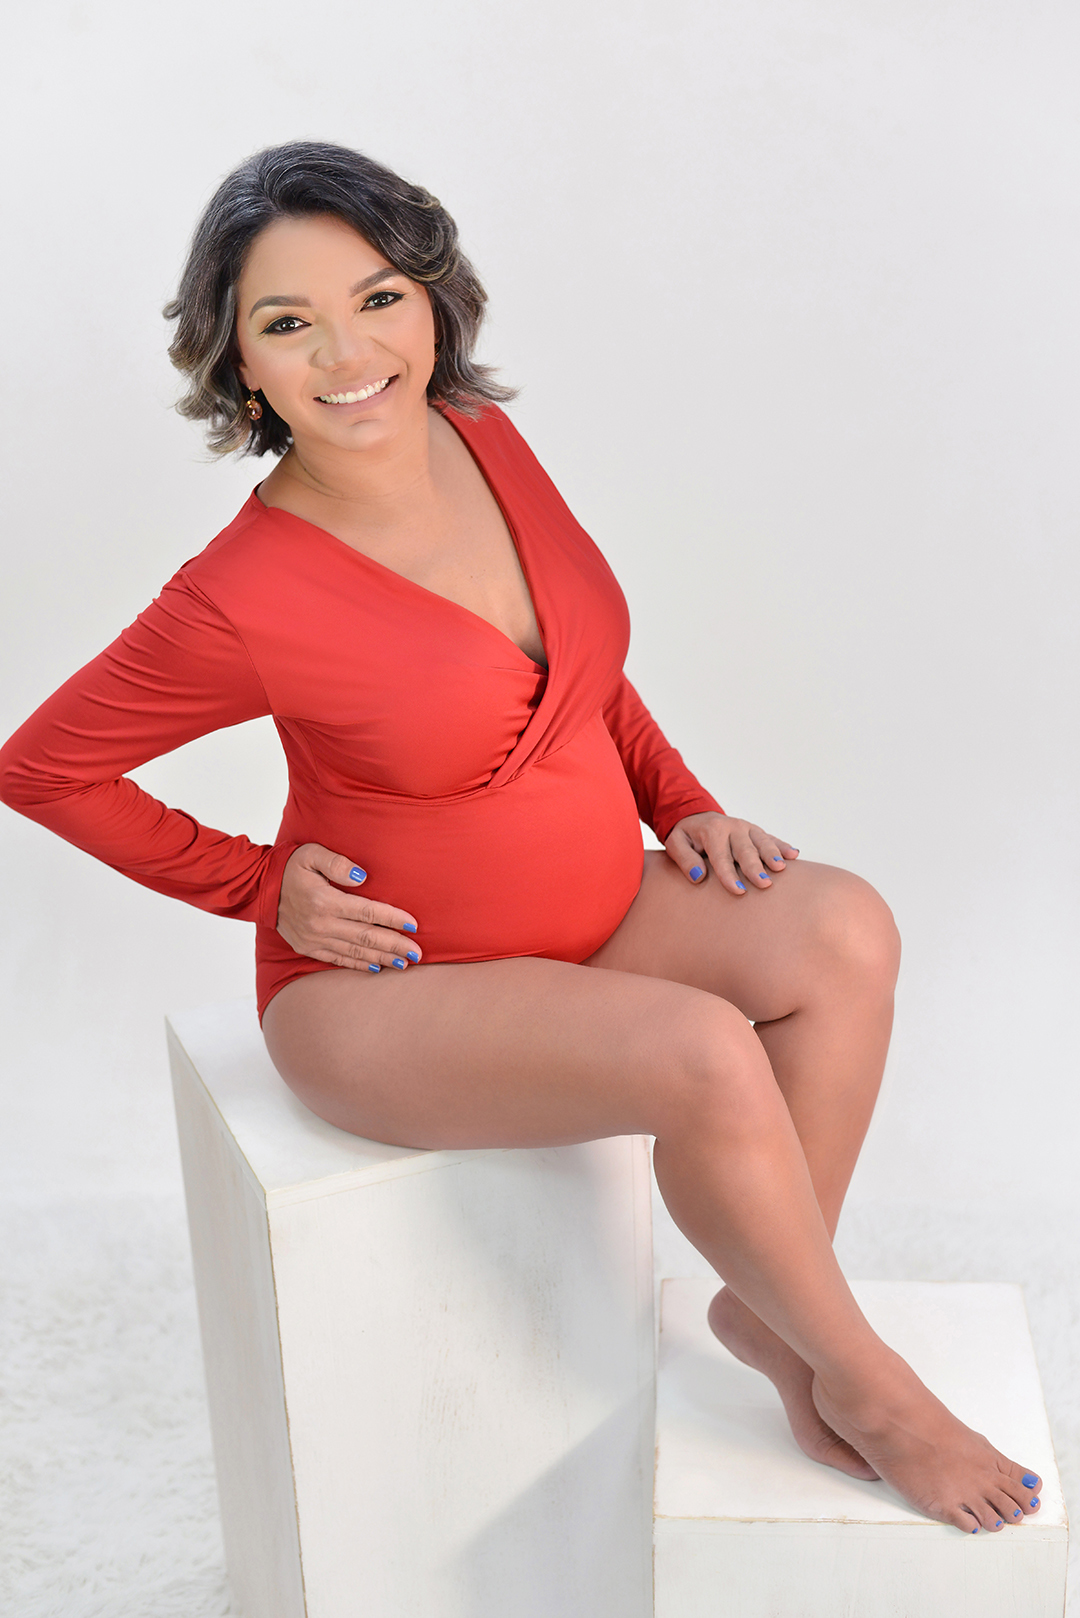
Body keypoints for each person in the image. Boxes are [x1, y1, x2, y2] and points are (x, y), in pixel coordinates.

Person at [0, 140, 1043, 1536]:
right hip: (390, 990)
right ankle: (870, 1383)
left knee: (843, 927)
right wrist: (259, 889)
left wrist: (682, 803)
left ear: (432, 304)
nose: (349, 353)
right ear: (240, 364)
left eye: (378, 298)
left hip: (595, 909)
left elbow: (584, 674)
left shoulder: (481, 436)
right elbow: (42, 767)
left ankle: (770, 1309)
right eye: (289, 323)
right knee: (702, 1049)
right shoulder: (239, 594)